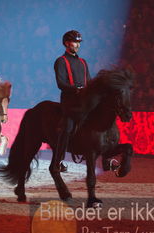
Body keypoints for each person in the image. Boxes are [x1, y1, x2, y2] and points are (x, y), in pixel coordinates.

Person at [52, 30, 91, 172]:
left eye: (79, 42)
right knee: (67, 128)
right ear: (67, 43)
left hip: (84, 102)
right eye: (76, 42)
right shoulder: (61, 61)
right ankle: (59, 160)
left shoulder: (83, 62)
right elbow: (61, 83)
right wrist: (77, 89)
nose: (78, 45)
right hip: (70, 102)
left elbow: (90, 81)